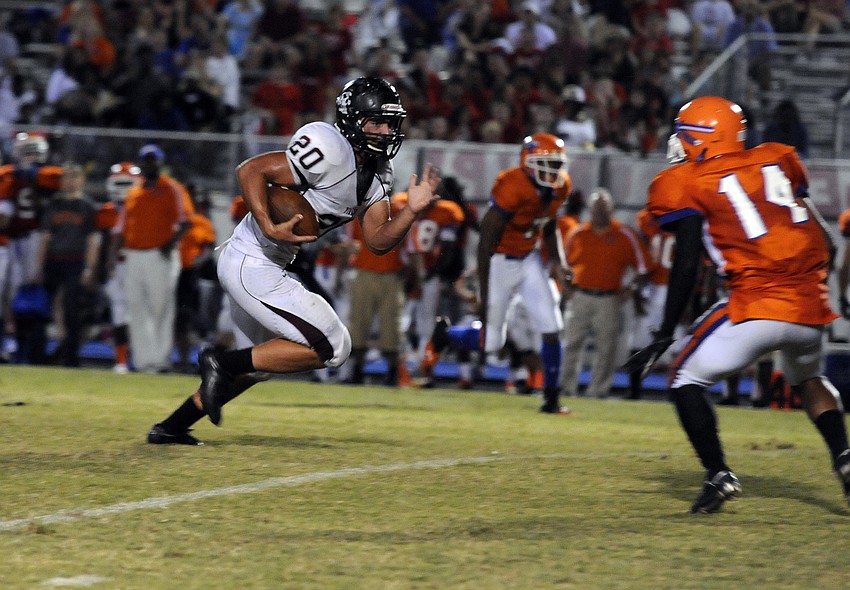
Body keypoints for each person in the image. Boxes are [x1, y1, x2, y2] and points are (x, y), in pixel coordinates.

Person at [148, 77, 439, 444]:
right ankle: (220, 361)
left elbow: (379, 240)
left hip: (267, 263)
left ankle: (171, 426)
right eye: (375, 122)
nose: (384, 131)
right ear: (351, 120)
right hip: (252, 259)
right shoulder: (330, 147)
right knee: (333, 346)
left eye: (389, 123)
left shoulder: (378, 170)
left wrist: (411, 211)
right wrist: (268, 224)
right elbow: (251, 170)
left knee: (260, 365)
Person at [626, 96, 850, 513]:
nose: (679, 142)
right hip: (809, 305)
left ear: (705, 137)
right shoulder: (777, 158)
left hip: (755, 304)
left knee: (683, 378)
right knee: (809, 380)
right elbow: (823, 237)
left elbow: (687, 262)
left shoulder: (687, 181)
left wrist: (663, 332)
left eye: (685, 133)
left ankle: (718, 475)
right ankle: (844, 456)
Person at [477, 132, 571, 414]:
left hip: (529, 258)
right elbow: (484, 242)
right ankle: (446, 336)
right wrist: (484, 295)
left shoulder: (559, 186)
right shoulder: (511, 184)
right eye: (548, 164)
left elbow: (550, 224)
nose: (554, 171)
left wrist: (558, 261)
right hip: (499, 260)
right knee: (493, 343)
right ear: (529, 161)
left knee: (552, 328)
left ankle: (551, 399)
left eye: (557, 164)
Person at [111, 144, 193, 374]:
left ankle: (160, 360)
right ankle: (144, 361)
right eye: (146, 160)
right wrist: (112, 257)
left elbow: (186, 220)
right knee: (136, 308)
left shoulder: (172, 188)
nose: (150, 164)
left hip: (159, 254)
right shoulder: (134, 192)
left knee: (161, 308)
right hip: (133, 255)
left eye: (153, 160)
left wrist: (170, 243)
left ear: (160, 162)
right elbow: (121, 228)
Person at [560, 188, 648, 399]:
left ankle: (597, 390)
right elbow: (562, 265)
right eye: (596, 209)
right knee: (572, 343)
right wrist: (566, 288)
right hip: (580, 296)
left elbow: (643, 268)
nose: (599, 213)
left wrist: (630, 289)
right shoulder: (578, 233)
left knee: (606, 348)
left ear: (611, 210)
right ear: (589, 211)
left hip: (609, 298)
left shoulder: (624, 234)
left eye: (603, 209)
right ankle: (566, 388)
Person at [0, 132, 63, 364]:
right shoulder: (9, 175)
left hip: (37, 238)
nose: (29, 158)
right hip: (14, 240)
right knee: (14, 294)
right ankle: (15, 340)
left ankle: (32, 343)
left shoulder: (48, 175)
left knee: (32, 292)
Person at [33, 163, 100, 367]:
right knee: (42, 311)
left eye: (73, 177)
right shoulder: (54, 204)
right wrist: (39, 266)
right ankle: (38, 356)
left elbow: (92, 240)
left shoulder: (87, 206)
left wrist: (89, 268)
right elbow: (45, 237)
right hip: (54, 261)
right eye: (66, 177)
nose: (68, 181)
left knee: (72, 311)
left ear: (81, 180)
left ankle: (71, 357)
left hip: (75, 262)